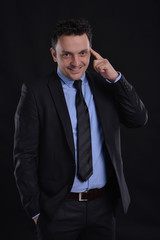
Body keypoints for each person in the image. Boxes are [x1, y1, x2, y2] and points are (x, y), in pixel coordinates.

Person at [13, 19, 148, 240]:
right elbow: (24, 155)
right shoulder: (36, 92)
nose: (76, 62)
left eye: (83, 53)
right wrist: (35, 210)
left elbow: (138, 118)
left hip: (103, 207)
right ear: (54, 54)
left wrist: (115, 78)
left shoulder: (106, 84)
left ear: (91, 52)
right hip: (58, 209)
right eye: (67, 54)